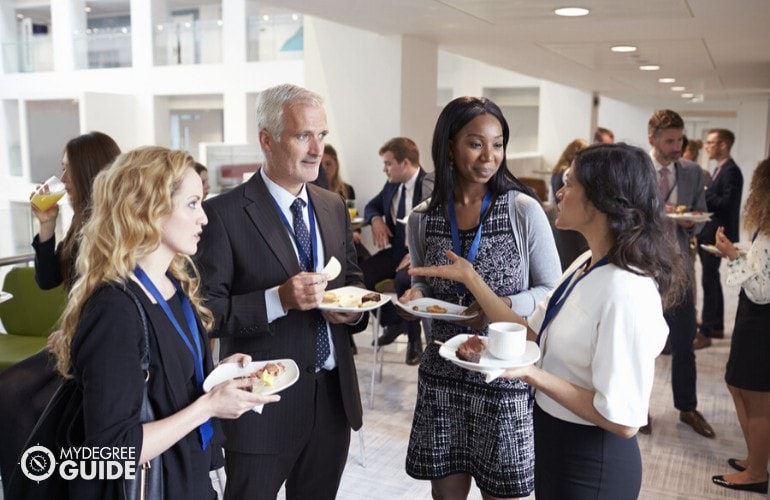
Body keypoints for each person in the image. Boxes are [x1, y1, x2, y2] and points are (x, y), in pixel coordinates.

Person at [411, 142, 687, 498]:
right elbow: (530, 334)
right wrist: (471, 279)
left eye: (570, 184)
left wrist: (529, 373)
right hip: (555, 441)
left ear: (603, 200)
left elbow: (623, 420)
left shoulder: (626, 289)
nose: (559, 190)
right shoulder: (586, 264)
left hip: (592, 460)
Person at [47, 146, 278, 499]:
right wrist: (208, 406)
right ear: (148, 209)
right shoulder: (115, 310)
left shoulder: (174, 284)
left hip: (189, 477)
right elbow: (109, 450)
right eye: (192, 204)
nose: (204, 218)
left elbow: (166, 379)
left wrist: (217, 373)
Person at [195, 83, 368, 500]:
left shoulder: (331, 205)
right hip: (262, 408)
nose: (317, 149)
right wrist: (279, 300)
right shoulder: (222, 214)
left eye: (322, 135)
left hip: (331, 402)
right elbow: (207, 312)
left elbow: (355, 282)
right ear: (266, 140)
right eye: (302, 135)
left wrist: (352, 310)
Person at [401, 96, 561, 499]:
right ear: (450, 145)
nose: (489, 156)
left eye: (498, 143)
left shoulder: (521, 210)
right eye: (476, 143)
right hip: (443, 375)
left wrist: (500, 306)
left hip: (502, 376)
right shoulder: (423, 216)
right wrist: (417, 295)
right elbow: (424, 283)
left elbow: (550, 291)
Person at [0, 131, 121, 494]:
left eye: (66, 169)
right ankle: (25, 486)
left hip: (93, 347)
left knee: (16, 398)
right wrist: (46, 225)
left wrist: (73, 333)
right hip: (74, 340)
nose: (62, 178)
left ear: (86, 170)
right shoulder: (82, 220)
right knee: (11, 397)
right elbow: (48, 279)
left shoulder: (114, 227)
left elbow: (111, 298)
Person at [643, 109, 714, 438]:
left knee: (684, 341)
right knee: (640, 343)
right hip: (642, 269)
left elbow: (701, 216)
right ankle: (639, 408)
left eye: (679, 140)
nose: (676, 146)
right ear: (652, 139)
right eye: (669, 140)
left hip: (680, 268)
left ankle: (687, 406)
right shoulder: (637, 169)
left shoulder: (693, 172)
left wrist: (691, 221)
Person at [710, 157, 770, 494]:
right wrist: (739, 254)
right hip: (755, 319)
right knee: (738, 385)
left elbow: (762, 291)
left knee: (757, 396)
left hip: (761, 320)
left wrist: (733, 258)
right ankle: (756, 458)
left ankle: (757, 472)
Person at [362, 137, 434, 365]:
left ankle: (415, 343)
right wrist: (375, 220)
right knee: (360, 276)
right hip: (396, 252)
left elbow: (438, 228)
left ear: (404, 162)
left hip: (419, 257)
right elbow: (371, 206)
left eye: (388, 163)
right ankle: (393, 321)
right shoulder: (392, 185)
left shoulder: (430, 185)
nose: (385, 169)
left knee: (406, 281)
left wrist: (415, 255)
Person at [695, 128, 744, 348]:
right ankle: (715, 326)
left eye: (711, 142)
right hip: (711, 232)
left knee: (709, 280)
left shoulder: (731, 171)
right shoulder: (720, 169)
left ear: (723, 145)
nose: (707, 146)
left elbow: (726, 204)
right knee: (712, 279)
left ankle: (706, 331)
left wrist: (705, 192)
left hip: (718, 234)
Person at [549, 138, 589, 270]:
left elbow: (551, 199)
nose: (559, 193)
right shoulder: (568, 172)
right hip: (569, 229)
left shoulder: (556, 171)